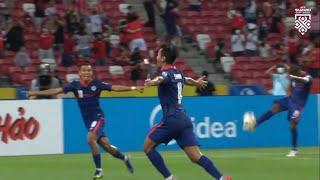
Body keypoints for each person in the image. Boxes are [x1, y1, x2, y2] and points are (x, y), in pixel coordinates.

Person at [27, 62, 143, 179]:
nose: (86, 72)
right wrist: (35, 92)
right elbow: (55, 91)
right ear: (80, 73)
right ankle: (125, 158)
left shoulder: (97, 85)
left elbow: (115, 88)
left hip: (98, 118)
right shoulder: (75, 85)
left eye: (89, 70)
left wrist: (133, 88)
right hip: (88, 121)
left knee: (90, 138)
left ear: (92, 73)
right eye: (84, 70)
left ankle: (99, 170)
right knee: (107, 147)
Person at [143, 45, 232, 180]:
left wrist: (152, 82)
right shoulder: (177, 72)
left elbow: (161, 79)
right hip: (183, 118)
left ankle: (169, 178)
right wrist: (195, 83)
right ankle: (221, 178)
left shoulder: (165, 73)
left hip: (172, 119)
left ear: (163, 58)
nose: (156, 57)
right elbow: (186, 80)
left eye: (158, 54)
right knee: (196, 156)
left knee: (147, 147)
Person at [244, 65, 313, 157]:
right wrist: (288, 92)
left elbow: (305, 80)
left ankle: (294, 149)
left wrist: (294, 77)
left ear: (297, 73)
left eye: (291, 74)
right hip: (290, 100)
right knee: (275, 107)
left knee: (293, 124)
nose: (289, 76)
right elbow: (290, 85)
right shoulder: (292, 75)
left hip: (298, 105)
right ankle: (255, 124)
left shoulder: (307, 77)